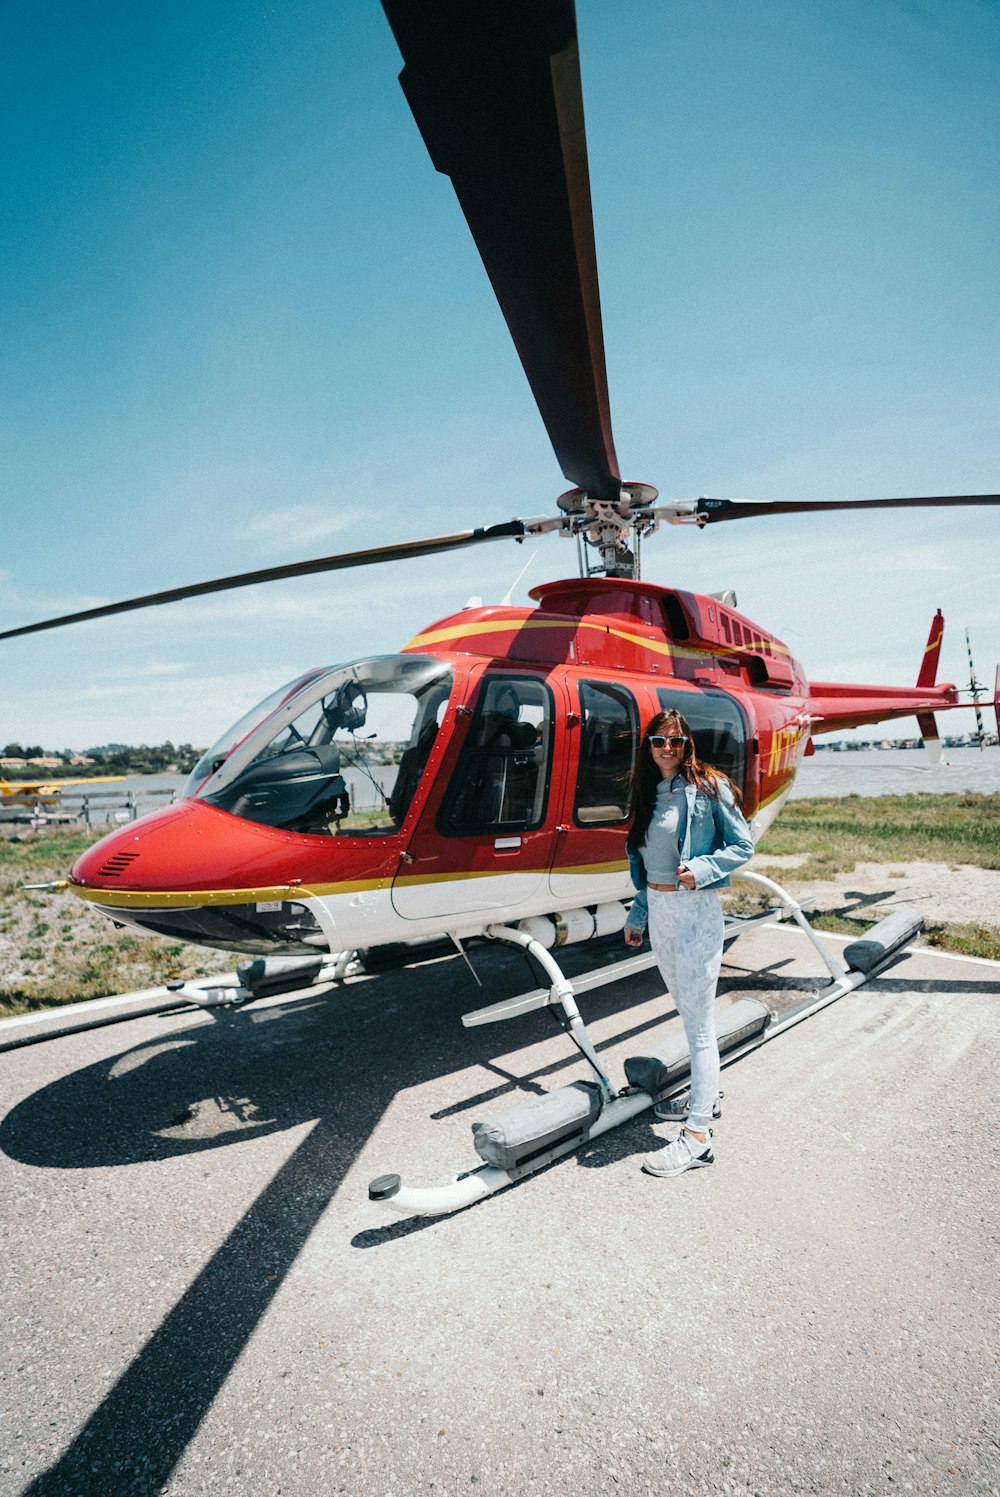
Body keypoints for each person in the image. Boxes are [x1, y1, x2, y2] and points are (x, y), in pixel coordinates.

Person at [624, 709, 754, 1177]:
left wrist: (700, 870)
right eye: (659, 740)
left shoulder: (708, 787)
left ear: (687, 745)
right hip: (660, 914)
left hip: (695, 912)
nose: (667, 749)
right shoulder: (647, 794)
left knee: (699, 1027)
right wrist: (639, 915)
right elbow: (647, 869)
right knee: (687, 1015)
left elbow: (743, 845)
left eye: (676, 742)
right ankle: (705, 1097)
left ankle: (698, 1136)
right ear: (649, 745)